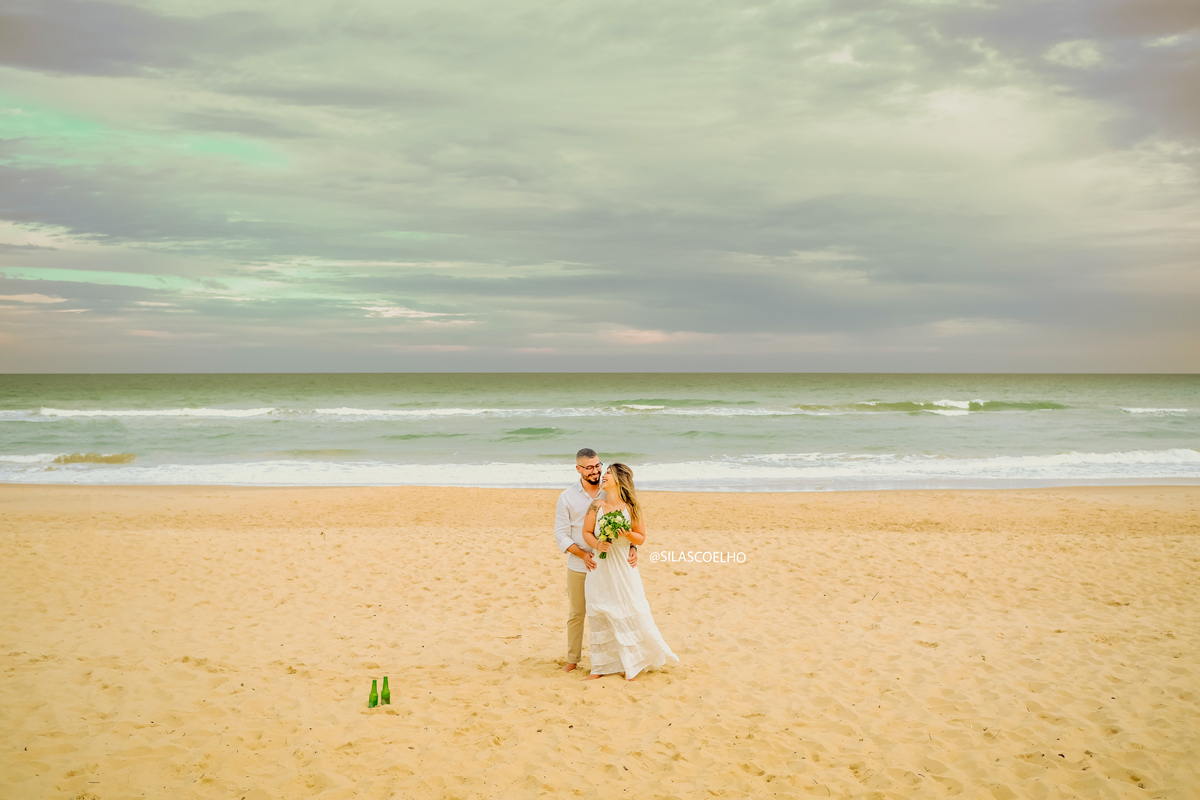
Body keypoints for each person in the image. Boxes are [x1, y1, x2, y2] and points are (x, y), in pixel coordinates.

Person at [581, 462, 677, 680]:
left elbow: (641, 537)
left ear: (619, 480)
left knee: (627, 612)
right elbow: (586, 532)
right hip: (600, 568)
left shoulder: (631, 508)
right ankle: (599, 668)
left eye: (608, 473)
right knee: (600, 613)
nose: (603, 476)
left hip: (624, 567)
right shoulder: (595, 506)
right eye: (604, 473)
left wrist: (627, 536)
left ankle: (630, 664)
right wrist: (597, 545)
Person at [554, 448, 638, 672]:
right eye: (589, 467)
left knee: (610, 611)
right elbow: (560, 534)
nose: (596, 471)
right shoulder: (567, 497)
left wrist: (633, 546)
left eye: (598, 465)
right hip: (579, 563)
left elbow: (629, 521)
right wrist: (583, 554)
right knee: (577, 613)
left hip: (609, 565)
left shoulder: (609, 489)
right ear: (578, 469)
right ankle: (573, 660)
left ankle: (615, 660)